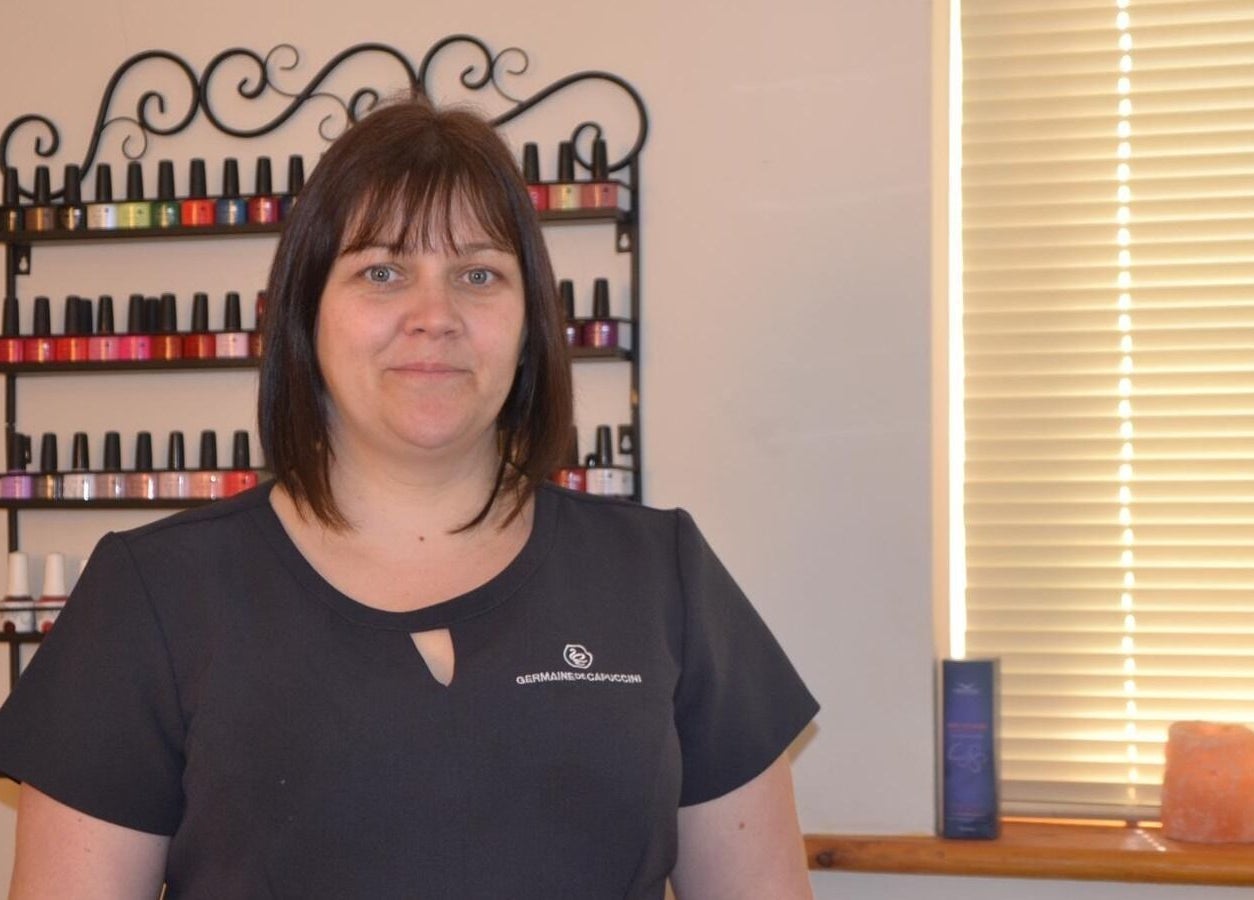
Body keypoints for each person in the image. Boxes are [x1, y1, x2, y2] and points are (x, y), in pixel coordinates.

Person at [0, 95, 819, 899]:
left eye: (479, 273)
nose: (436, 316)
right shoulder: (154, 596)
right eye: (383, 271)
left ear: (531, 322)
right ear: (303, 316)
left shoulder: (662, 576)